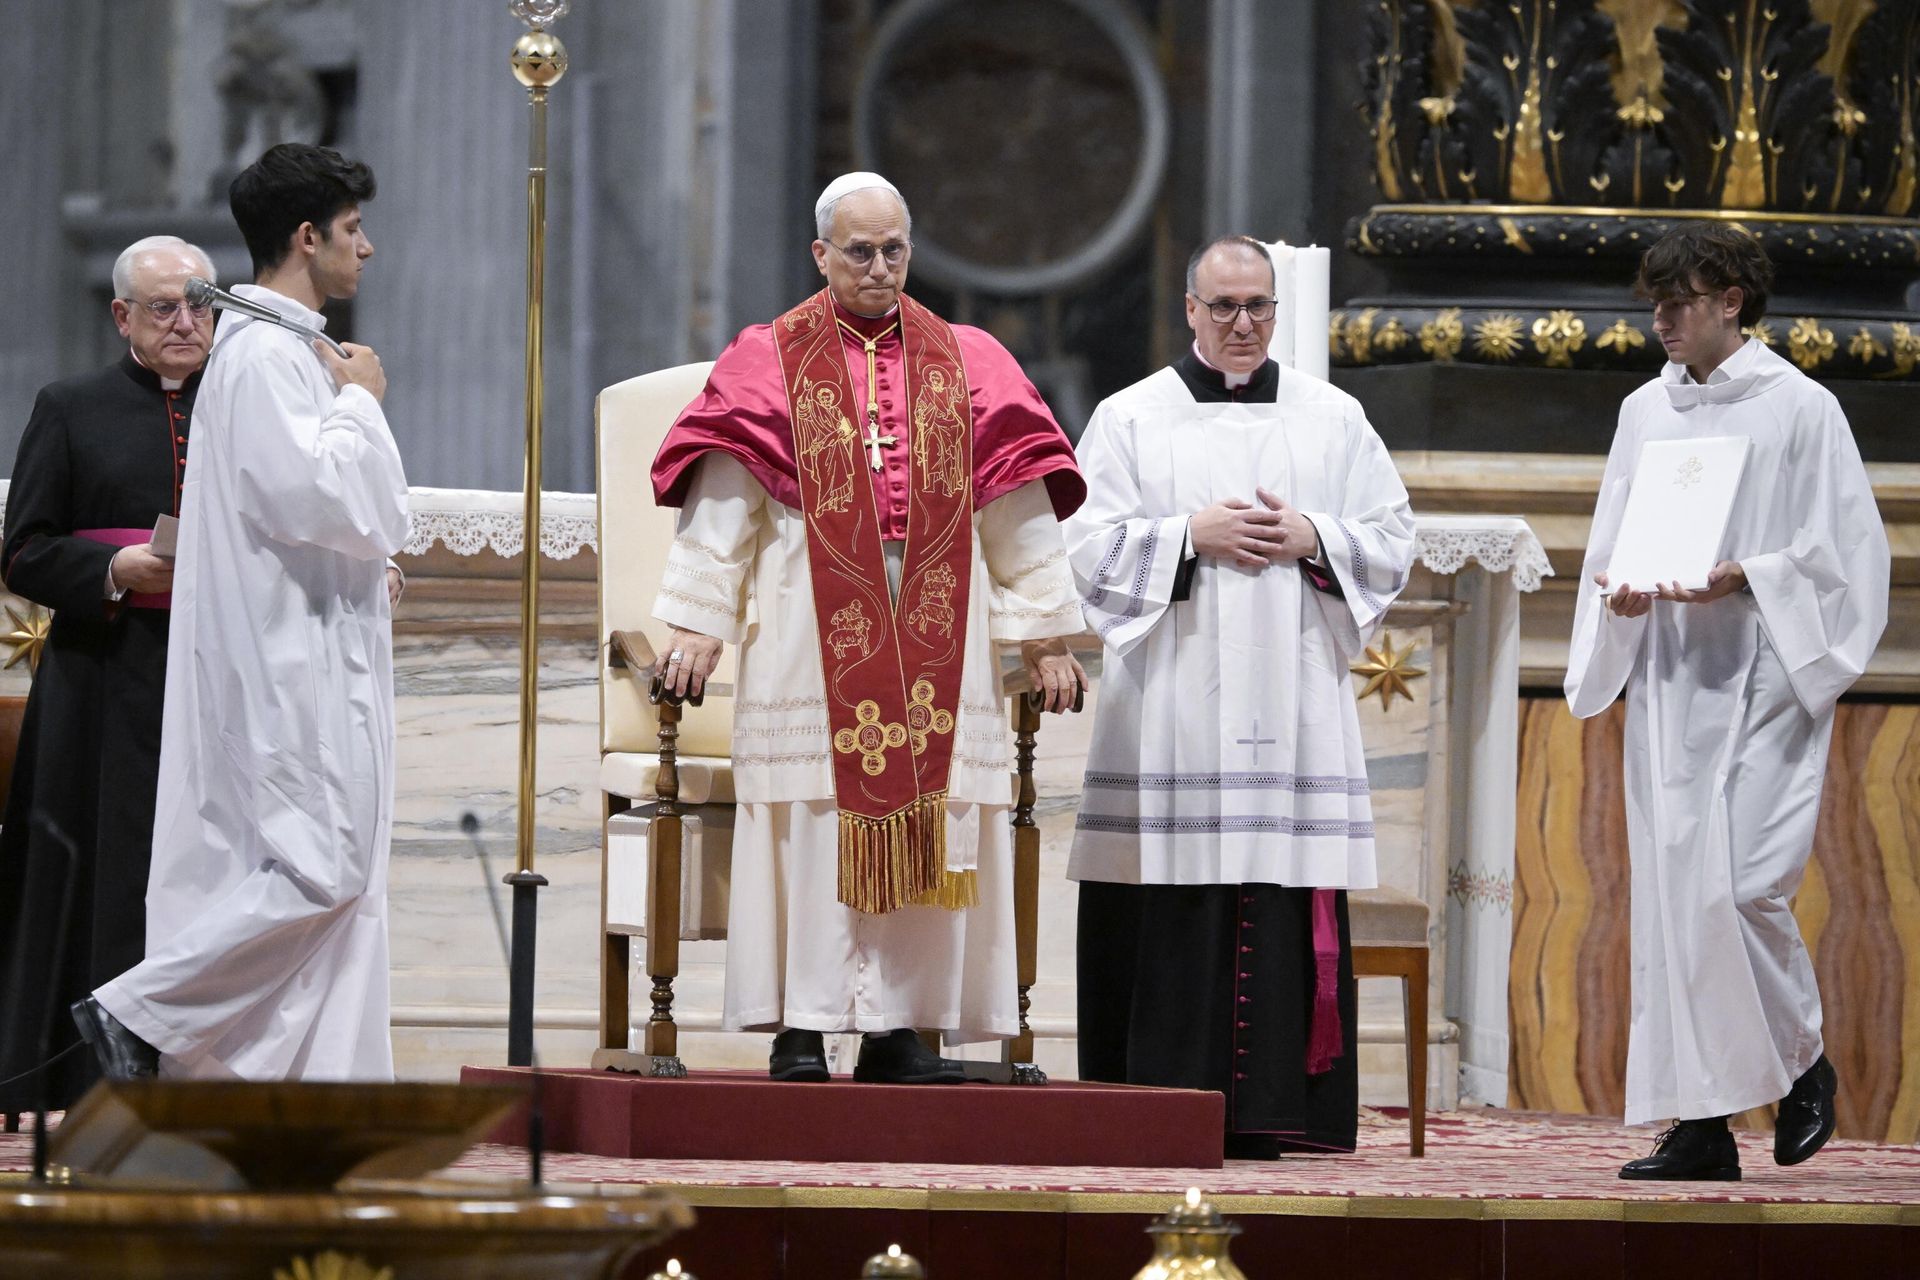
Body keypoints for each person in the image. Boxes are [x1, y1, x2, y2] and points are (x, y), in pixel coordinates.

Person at [649, 172, 1087, 1083]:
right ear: (821, 255)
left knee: (933, 810)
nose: (880, 267)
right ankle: (801, 1027)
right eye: (860, 251)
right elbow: (724, 501)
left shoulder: (970, 358)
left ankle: (899, 1029)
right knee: (814, 817)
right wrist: (696, 622)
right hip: (812, 616)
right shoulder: (769, 357)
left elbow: (1014, 507)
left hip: (941, 614)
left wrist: (1045, 632)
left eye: (894, 249)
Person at [1063, 235, 1415, 1156]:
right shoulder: (1132, 417)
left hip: (1294, 703)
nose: (1244, 324)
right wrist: (1188, 534)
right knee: (1176, 898)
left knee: (1275, 885)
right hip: (1175, 709)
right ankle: (1154, 1107)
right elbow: (1085, 552)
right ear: (1189, 310)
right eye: (1223, 307)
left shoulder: (1332, 417)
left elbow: (1392, 537)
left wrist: (1312, 535)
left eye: (1259, 306)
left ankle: (1281, 1113)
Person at [74, 143, 410, 1081]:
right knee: (323, 866)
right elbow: (321, 500)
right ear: (306, 237)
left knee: (335, 879)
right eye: (352, 231)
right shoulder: (265, 355)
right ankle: (141, 1013)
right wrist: (364, 406)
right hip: (286, 663)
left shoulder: (287, 348)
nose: (367, 249)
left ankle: (310, 1096)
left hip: (312, 644)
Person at [1567, 224, 1886, 1181]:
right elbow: (1611, 538)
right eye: (1655, 305)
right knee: (1675, 903)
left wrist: (1746, 573)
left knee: (1745, 883)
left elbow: (1849, 555)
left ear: (1733, 302)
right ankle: (1701, 1123)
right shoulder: (1643, 412)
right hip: (1671, 674)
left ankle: (1803, 1065)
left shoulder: (1802, 409)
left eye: (1681, 303)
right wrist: (1620, 589)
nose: (1661, 321)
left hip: (1766, 669)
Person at [0, 237, 214, 1112]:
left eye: (200, 303)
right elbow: (24, 552)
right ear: (121, 316)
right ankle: (79, 1073)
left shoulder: (248, 407)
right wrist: (116, 573)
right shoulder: (71, 407)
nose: (186, 322)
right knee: (104, 872)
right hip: (103, 680)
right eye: (163, 307)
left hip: (215, 686)